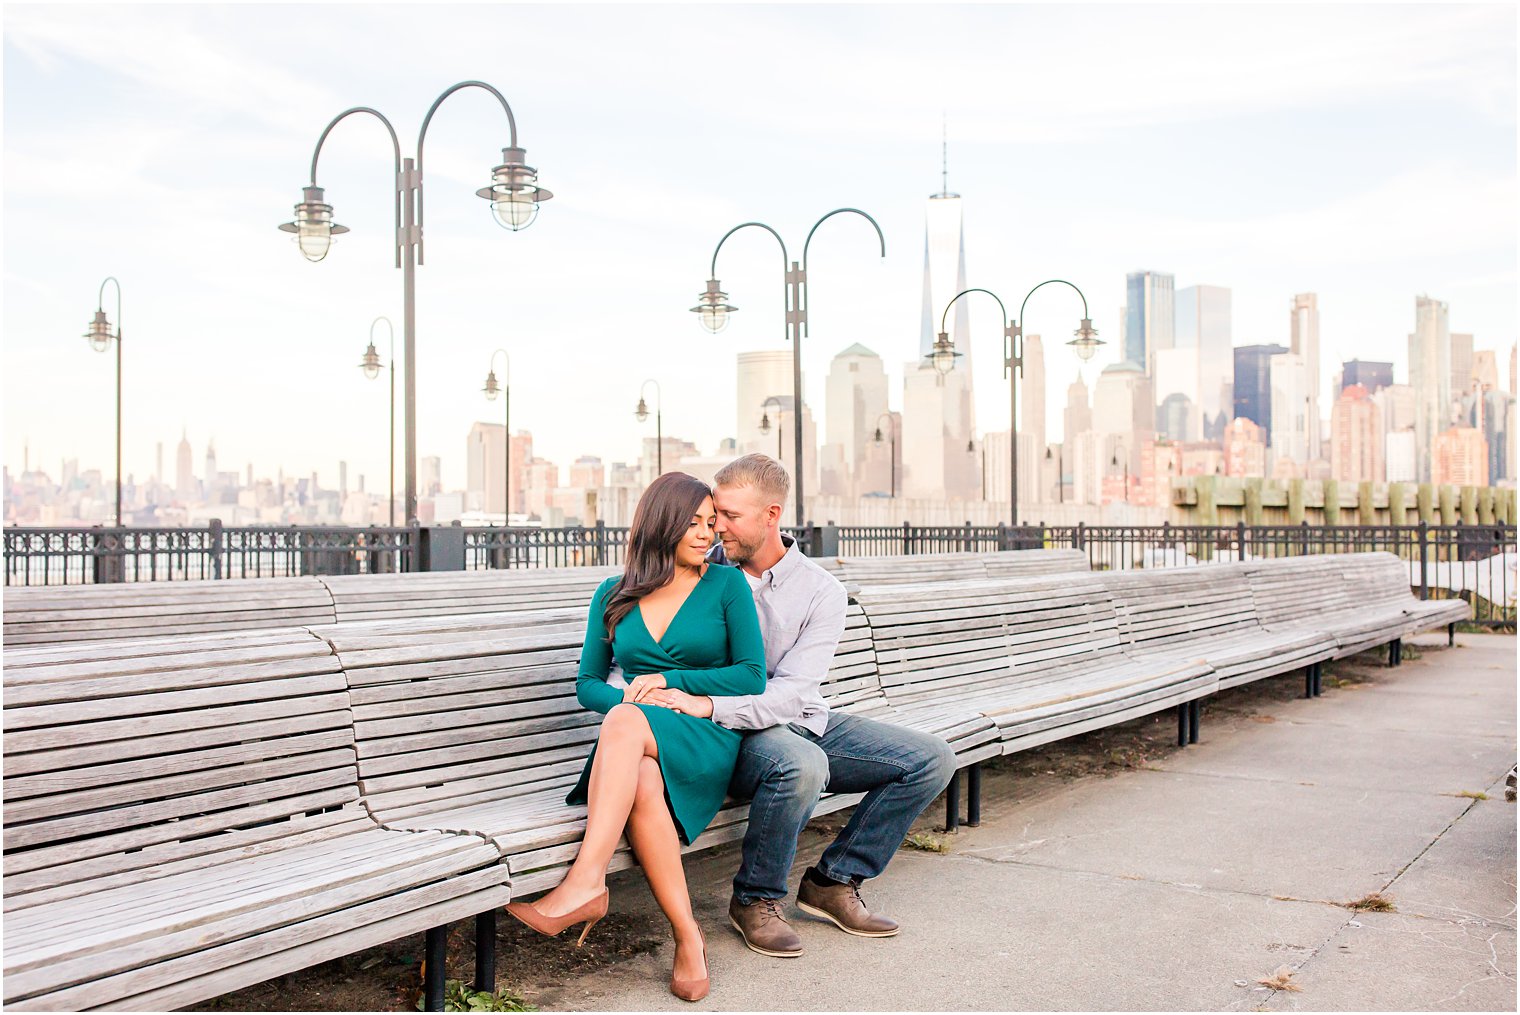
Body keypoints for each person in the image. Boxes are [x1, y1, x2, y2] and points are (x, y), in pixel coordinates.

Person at [647, 454, 957, 958]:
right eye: (713, 513)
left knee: (930, 758)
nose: (714, 527)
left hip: (795, 716)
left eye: (729, 516)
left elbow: (792, 692)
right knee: (800, 763)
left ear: (772, 515)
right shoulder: (699, 573)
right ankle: (755, 899)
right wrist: (704, 706)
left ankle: (833, 880)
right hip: (728, 733)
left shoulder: (820, 591)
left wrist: (711, 704)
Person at [504, 472, 766, 1002]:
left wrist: (671, 683)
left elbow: (751, 675)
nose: (706, 535)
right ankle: (687, 937)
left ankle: (585, 883)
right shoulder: (612, 592)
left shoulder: (726, 585)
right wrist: (630, 702)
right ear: (660, 523)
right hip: (638, 739)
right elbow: (586, 686)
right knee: (640, 774)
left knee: (624, 725)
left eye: (712, 523)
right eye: (692, 523)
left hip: (703, 733)